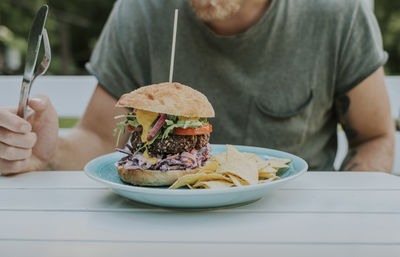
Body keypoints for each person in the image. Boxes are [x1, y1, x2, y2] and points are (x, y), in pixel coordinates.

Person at [0, 0, 395, 174]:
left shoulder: (338, 12)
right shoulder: (140, 11)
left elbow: (375, 136)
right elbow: (99, 136)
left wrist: (343, 211)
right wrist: (47, 153)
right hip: (159, 228)